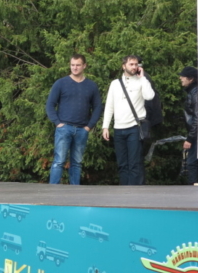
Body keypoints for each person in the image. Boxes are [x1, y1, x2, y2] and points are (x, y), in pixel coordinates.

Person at [45, 54, 103, 185]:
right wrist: (57, 123)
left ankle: (75, 193)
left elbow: (98, 107)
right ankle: (52, 192)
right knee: (59, 161)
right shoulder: (61, 83)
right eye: (72, 65)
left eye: (78, 65)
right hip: (64, 128)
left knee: (77, 163)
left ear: (84, 66)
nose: (75, 68)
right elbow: (50, 105)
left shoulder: (91, 86)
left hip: (82, 130)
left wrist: (89, 126)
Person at [102, 55, 155, 185]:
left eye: (136, 64)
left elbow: (149, 96)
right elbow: (109, 105)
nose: (134, 67)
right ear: (123, 66)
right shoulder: (115, 84)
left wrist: (143, 78)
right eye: (131, 64)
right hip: (118, 128)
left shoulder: (141, 81)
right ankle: (124, 191)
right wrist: (105, 126)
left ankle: (135, 192)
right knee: (122, 164)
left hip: (134, 127)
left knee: (135, 163)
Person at [179, 66, 198, 185]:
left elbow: (197, 117)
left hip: (197, 135)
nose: (180, 78)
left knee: (192, 162)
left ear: (190, 79)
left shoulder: (195, 93)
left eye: (183, 76)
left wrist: (190, 138)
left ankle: (193, 187)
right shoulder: (194, 91)